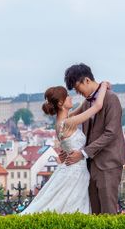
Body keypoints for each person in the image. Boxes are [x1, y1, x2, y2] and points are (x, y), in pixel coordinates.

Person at [19, 81, 109, 214]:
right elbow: (97, 106)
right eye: (67, 96)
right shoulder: (68, 122)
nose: (70, 97)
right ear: (61, 103)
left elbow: (84, 106)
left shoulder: (62, 122)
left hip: (72, 169)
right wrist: (103, 86)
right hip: (75, 172)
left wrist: (92, 93)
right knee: (71, 208)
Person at [61, 63, 125, 214]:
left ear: (86, 80)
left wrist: (83, 153)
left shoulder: (111, 99)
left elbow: (110, 133)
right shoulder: (88, 102)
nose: (79, 93)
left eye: (78, 89)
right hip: (90, 164)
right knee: (95, 213)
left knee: (108, 212)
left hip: (108, 163)